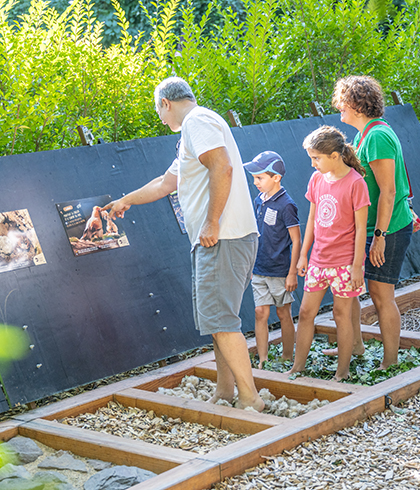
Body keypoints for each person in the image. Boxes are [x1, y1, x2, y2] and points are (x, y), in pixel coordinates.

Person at [105, 77, 265, 411]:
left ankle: (251, 399)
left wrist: (211, 221)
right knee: (217, 320)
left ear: (165, 102)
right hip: (225, 237)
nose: (161, 120)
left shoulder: (197, 122)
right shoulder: (196, 129)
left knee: (220, 320)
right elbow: (166, 184)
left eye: (158, 111)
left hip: (223, 236)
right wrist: (124, 201)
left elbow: (222, 167)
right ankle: (224, 392)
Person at [334, 75, 414, 369]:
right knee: (354, 288)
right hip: (369, 228)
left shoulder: (378, 136)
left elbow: (389, 191)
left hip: (388, 228)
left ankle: (390, 361)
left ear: (356, 104)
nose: (338, 107)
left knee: (381, 294)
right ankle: (356, 347)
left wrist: (379, 235)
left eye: (342, 101)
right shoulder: (363, 135)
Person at [288, 126, 370, 382]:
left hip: (344, 264)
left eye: (316, 158)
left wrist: (358, 266)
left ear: (335, 156)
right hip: (318, 261)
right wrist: (303, 255)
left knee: (340, 314)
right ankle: (297, 368)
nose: (313, 164)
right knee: (305, 313)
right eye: (311, 158)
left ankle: (342, 372)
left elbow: (360, 230)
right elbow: (312, 220)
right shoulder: (316, 180)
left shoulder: (356, 183)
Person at [242, 151, 301, 369]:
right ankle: (263, 360)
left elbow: (296, 239)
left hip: (280, 271)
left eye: (260, 178)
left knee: (283, 312)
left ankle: (287, 357)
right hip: (258, 268)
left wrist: (292, 272)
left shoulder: (287, 205)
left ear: (276, 177)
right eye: (254, 178)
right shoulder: (259, 200)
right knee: (260, 312)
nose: (255, 182)